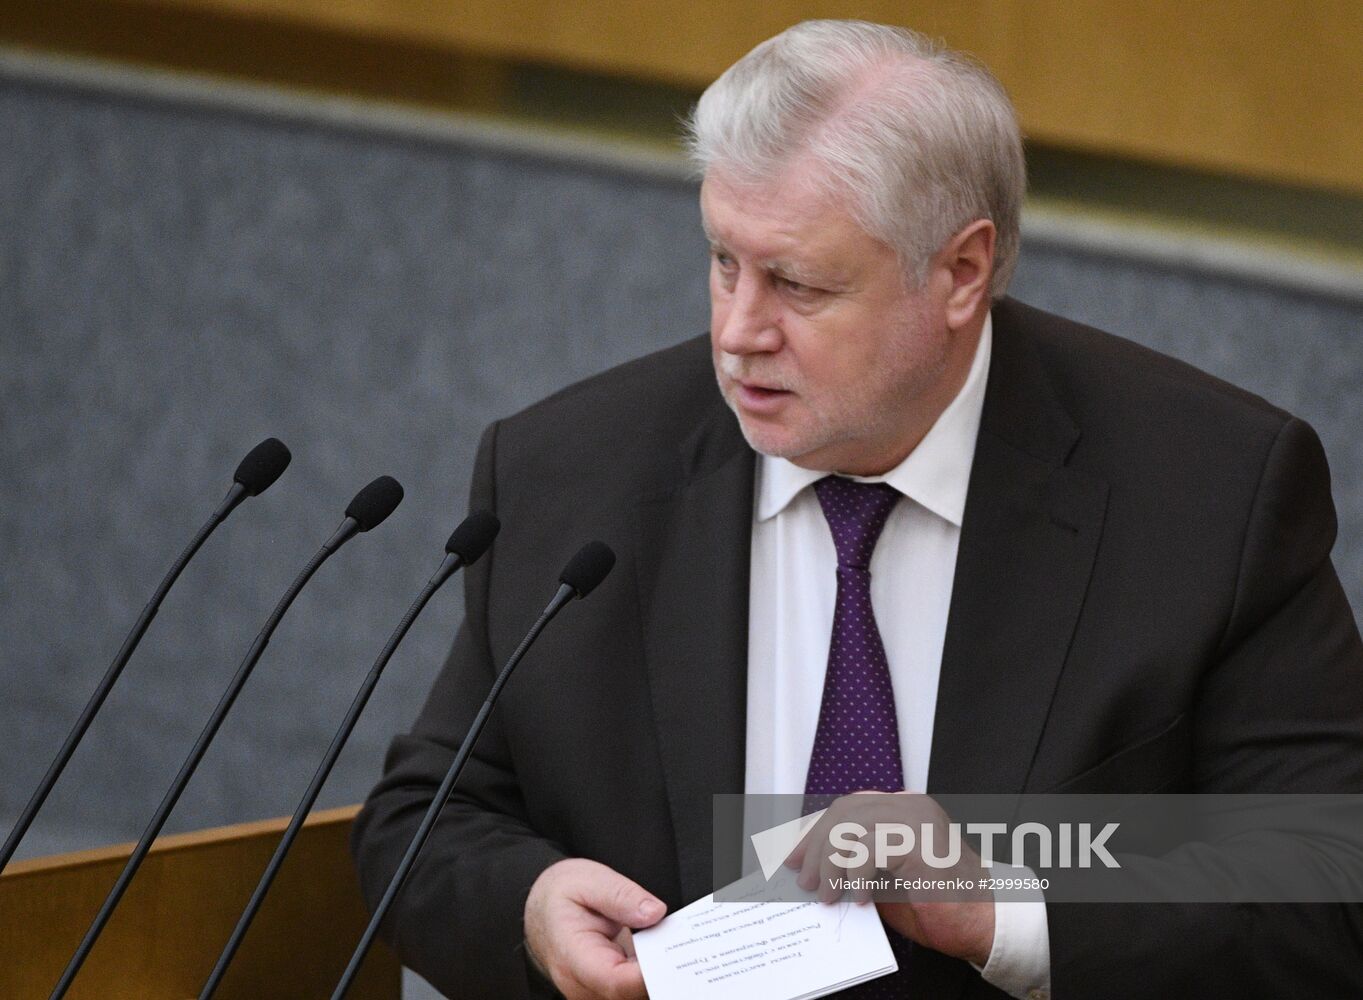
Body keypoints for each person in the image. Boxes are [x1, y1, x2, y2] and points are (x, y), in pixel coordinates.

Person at [352, 19, 1363, 1000]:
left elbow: (1324, 881)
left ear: (960, 272)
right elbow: (425, 821)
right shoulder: (572, 474)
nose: (738, 333)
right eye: (721, 261)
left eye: (796, 283)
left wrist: (1008, 910)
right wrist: (530, 908)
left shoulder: (1209, 492)